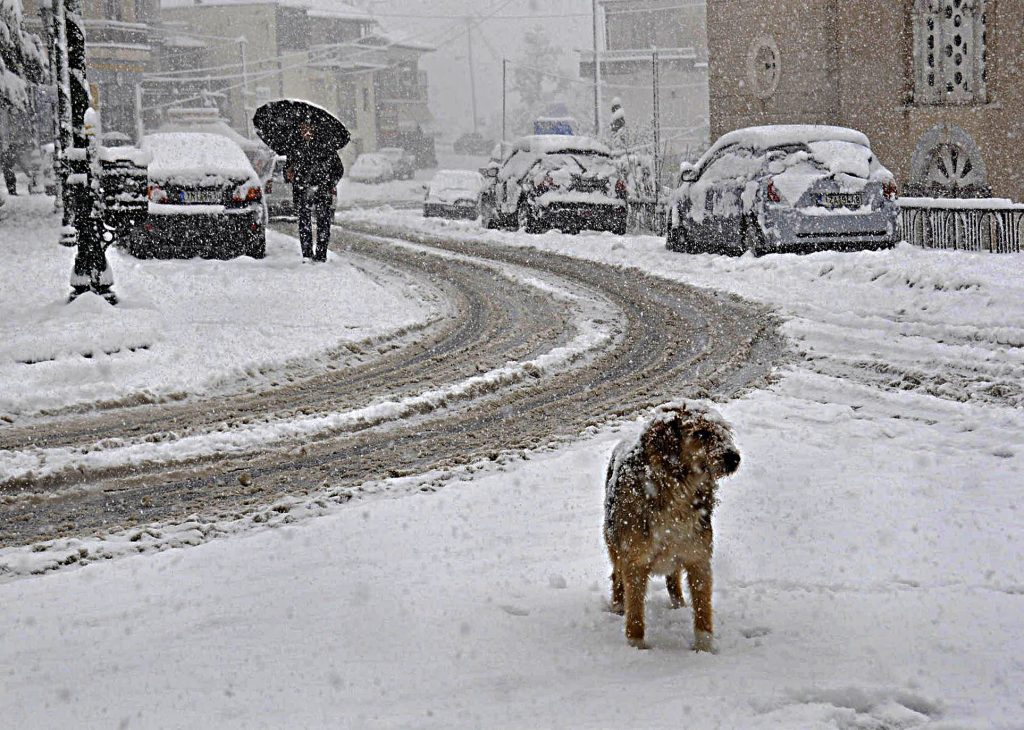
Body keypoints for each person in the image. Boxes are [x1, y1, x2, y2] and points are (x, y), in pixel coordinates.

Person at [285, 122, 345, 262]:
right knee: (304, 223)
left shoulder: (325, 147)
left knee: (323, 223)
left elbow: (339, 169)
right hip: (302, 191)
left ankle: (321, 254)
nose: (305, 132)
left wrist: (329, 184)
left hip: (322, 191)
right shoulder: (295, 148)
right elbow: (288, 170)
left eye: (308, 128)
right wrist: (288, 174)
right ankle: (307, 255)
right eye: (302, 128)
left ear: (313, 129)